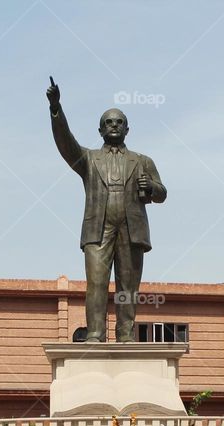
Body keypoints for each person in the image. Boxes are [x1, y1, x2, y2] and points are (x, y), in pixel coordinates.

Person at [47, 78, 167, 343]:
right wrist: (56, 109)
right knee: (97, 284)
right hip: (98, 229)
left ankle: (125, 334)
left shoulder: (143, 161)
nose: (114, 125)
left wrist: (152, 188)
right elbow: (66, 144)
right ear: (100, 130)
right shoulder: (89, 159)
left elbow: (162, 193)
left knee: (128, 288)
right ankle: (95, 333)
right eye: (109, 122)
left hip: (131, 229)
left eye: (119, 122)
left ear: (127, 129)